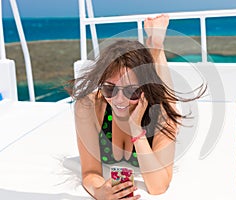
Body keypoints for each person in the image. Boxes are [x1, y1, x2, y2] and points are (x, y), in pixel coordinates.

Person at [68, 14, 206, 199]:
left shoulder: (162, 114)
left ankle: (157, 48)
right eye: (109, 89)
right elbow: (90, 173)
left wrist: (137, 130)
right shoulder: (88, 106)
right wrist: (100, 191)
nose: (118, 99)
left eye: (131, 91)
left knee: (164, 96)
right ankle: (154, 48)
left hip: (154, 104)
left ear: (142, 89)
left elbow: (158, 187)